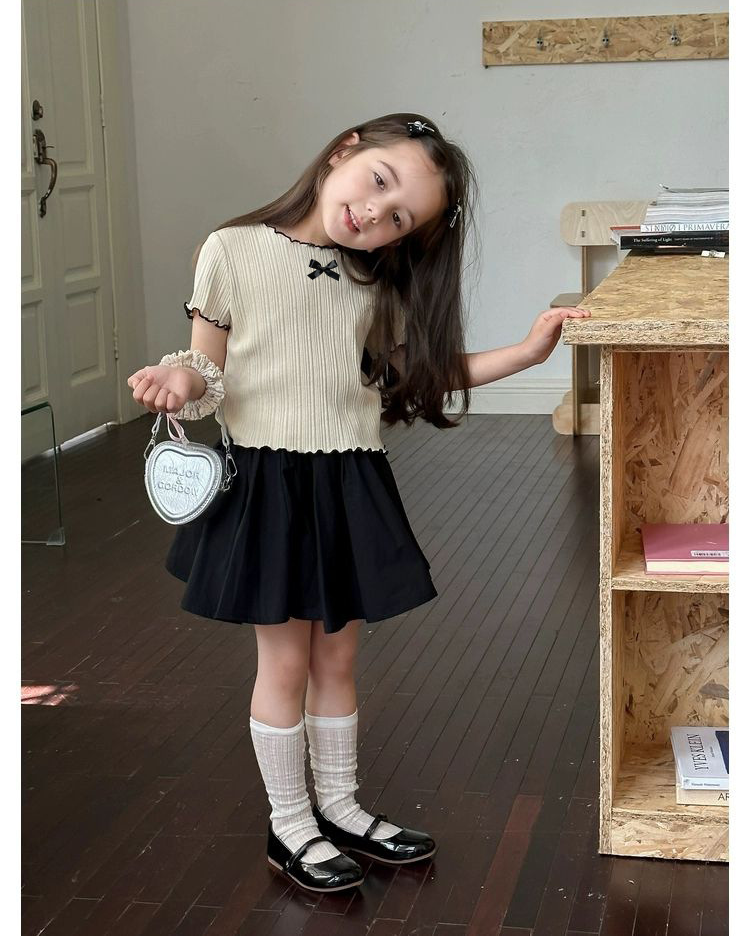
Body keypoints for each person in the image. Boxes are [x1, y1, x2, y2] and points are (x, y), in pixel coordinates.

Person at [127, 112, 590, 894]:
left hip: (348, 480)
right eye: (379, 182)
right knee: (285, 661)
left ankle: (339, 807)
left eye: (399, 219)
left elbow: (421, 376)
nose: (375, 214)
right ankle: (289, 823)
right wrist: (182, 379)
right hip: (270, 484)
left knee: (338, 656)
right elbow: (208, 373)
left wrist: (527, 351)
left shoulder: (379, 284)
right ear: (345, 151)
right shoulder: (231, 250)